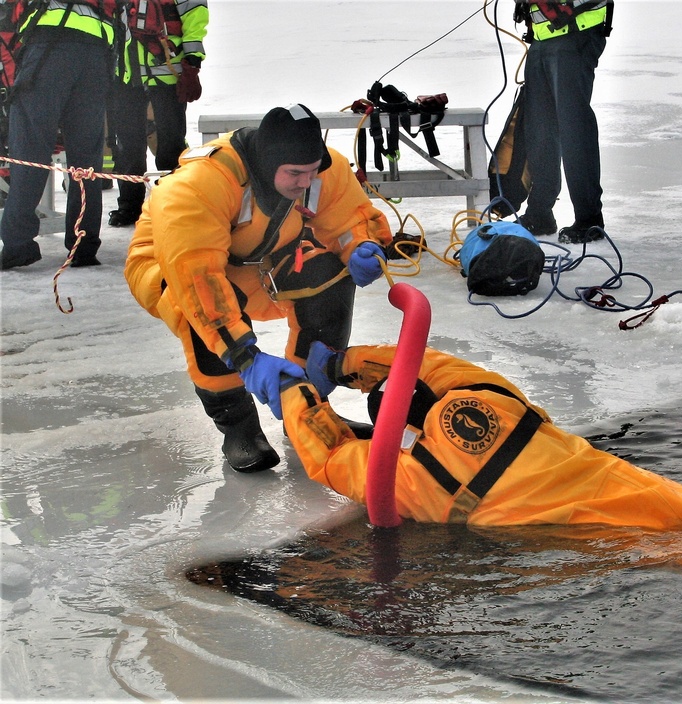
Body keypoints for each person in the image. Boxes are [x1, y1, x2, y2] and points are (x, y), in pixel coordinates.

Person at [124, 103, 393, 473]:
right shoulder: (200, 184)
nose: (306, 183)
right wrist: (247, 360)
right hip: (171, 268)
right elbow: (198, 281)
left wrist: (362, 245)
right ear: (267, 165)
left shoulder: (317, 168)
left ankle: (308, 407)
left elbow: (350, 216)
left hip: (260, 261)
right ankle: (239, 429)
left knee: (330, 271)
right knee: (201, 313)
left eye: (312, 173)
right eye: (295, 174)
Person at [283, 343, 682, 529]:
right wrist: (346, 362)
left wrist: (292, 391)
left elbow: (330, 456)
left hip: (600, 529)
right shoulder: (493, 395)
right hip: (634, 484)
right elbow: (430, 362)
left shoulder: (418, 479)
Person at [0, 0, 119, 270]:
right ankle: (83, 245)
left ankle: (18, 245)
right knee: (86, 159)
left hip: (49, 45)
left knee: (30, 149)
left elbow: (9, 16)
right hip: (97, 52)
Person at [513, 1, 612, 245]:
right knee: (539, 130)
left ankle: (589, 220)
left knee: (574, 130)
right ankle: (540, 213)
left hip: (577, 33)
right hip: (543, 39)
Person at [108, 0, 208, 227]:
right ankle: (129, 208)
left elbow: (195, 14)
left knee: (170, 145)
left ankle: (173, 204)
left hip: (167, 74)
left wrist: (193, 61)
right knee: (128, 147)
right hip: (125, 76)